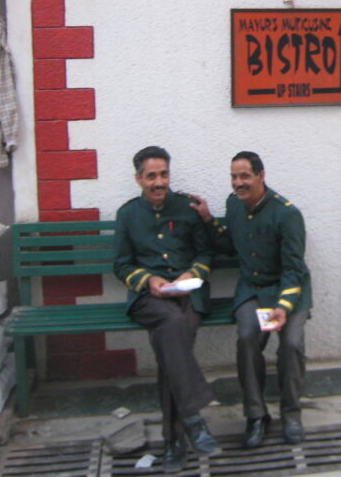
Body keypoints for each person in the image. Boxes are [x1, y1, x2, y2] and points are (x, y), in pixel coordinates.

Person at [113, 146, 221, 473]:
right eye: (151, 176)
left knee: (169, 340)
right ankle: (192, 418)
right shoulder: (128, 214)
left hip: (188, 294)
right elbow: (120, 265)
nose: (158, 182)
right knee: (172, 325)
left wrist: (192, 273)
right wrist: (148, 281)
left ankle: (174, 442)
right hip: (150, 299)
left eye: (163, 175)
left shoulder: (187, 208)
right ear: (138, 179)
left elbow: (206, 254)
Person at [196, 151, 312, 448]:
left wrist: (283, 307)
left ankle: (291, 414)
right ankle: (256, 415)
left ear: (261, 176)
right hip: (253, 289)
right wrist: (208, 220)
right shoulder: (233, 204)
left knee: (291, 344)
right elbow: (229, 246)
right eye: (234, 177)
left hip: (288, 290)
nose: (238, 182)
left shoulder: (287, 214)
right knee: (247, 338)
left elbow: (293, 269)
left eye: (245, 176)